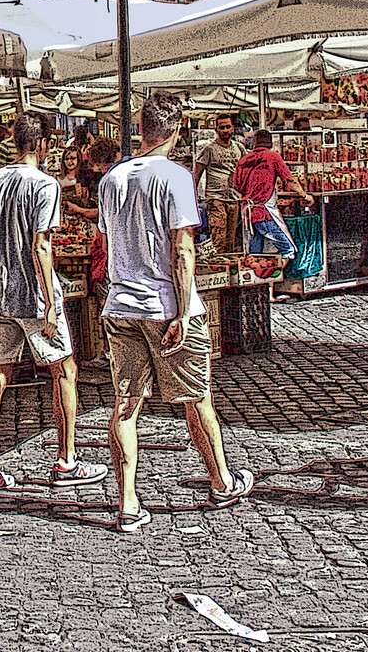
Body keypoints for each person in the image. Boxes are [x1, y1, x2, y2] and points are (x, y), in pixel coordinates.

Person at [97, 93, 253, 531]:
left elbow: (109, 241)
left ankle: (127, 502)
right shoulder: (176, 177)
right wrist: (184, 312)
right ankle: (221, 481)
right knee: (195, 397)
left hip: (121, 303)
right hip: (165, 304)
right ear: (178, 129)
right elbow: (182, 248)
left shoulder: (112, 178)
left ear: (139, 128)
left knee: (126, 403)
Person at [0, 112, 108, 491]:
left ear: (15, 143)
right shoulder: (45, 185)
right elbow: (41, 245)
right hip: (32, 295)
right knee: (64, 371)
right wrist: (50, 300)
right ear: (43, 145)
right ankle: (66, 461)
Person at [232, 130, 311, 260]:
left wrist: (251, 193)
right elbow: (290, 180)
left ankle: (258, 278)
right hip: (265, 213)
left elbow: (236, 186)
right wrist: (305, 196)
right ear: (271, 143)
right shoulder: (273, 156)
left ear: (255, 143)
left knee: (255, 252)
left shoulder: (243, 160)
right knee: (288, 248)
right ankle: (278, 278)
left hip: (248, 213)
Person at [193, 114, 246, 255]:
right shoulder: (209, 149)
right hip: (215, 198)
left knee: (231, 240)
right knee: (218, 237)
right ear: (216, 130)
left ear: (233, 128)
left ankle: (228, 270)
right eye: (221, 127)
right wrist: (192, 196)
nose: (225, 130)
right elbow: (197, 173)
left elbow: (246, 171)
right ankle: (217, 269)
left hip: (234, 198)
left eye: (228, 126)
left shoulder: (239, 148)